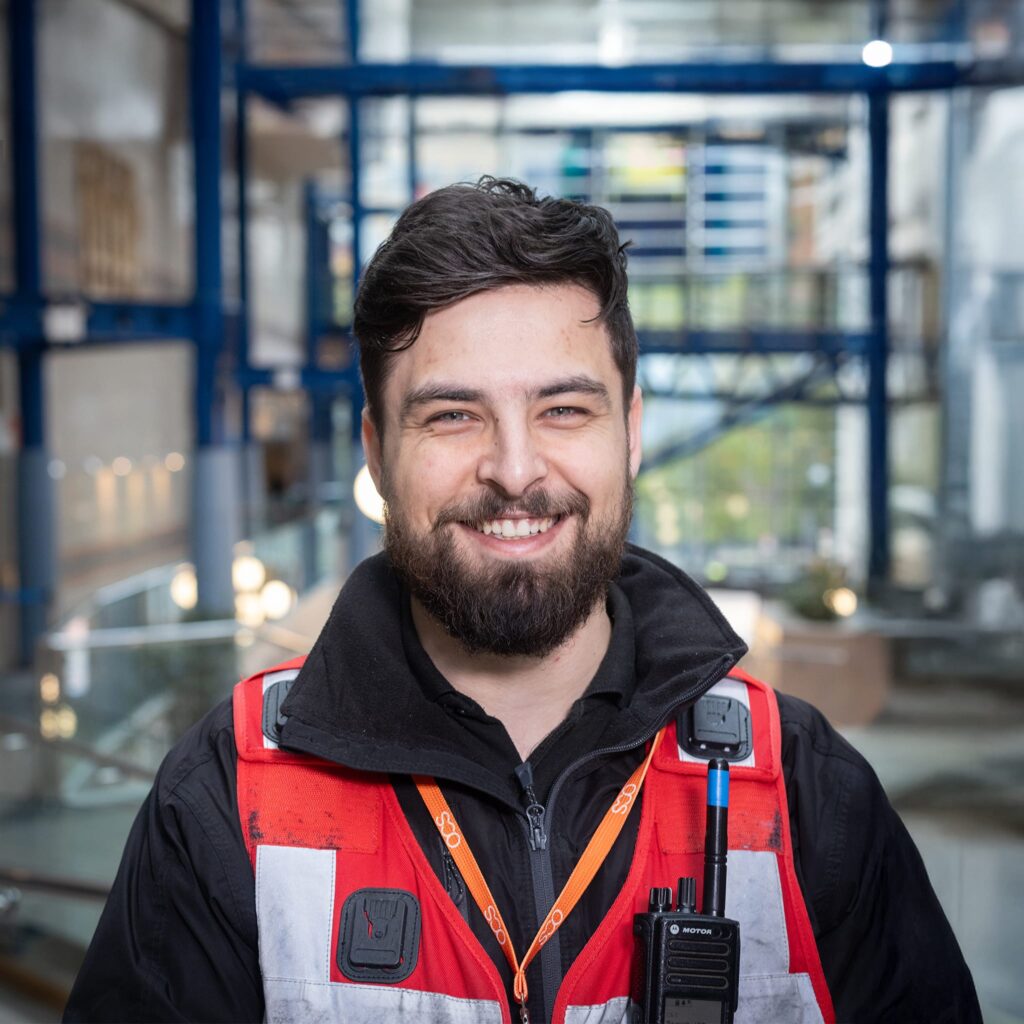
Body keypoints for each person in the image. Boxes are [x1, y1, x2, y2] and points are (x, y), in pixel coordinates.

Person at [64, 177, 979, 1024]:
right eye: (452, 414)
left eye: (565, 410)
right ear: (378, 452)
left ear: (630, 432)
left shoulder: (806, 793)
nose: (513, 470)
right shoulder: (231, 796)